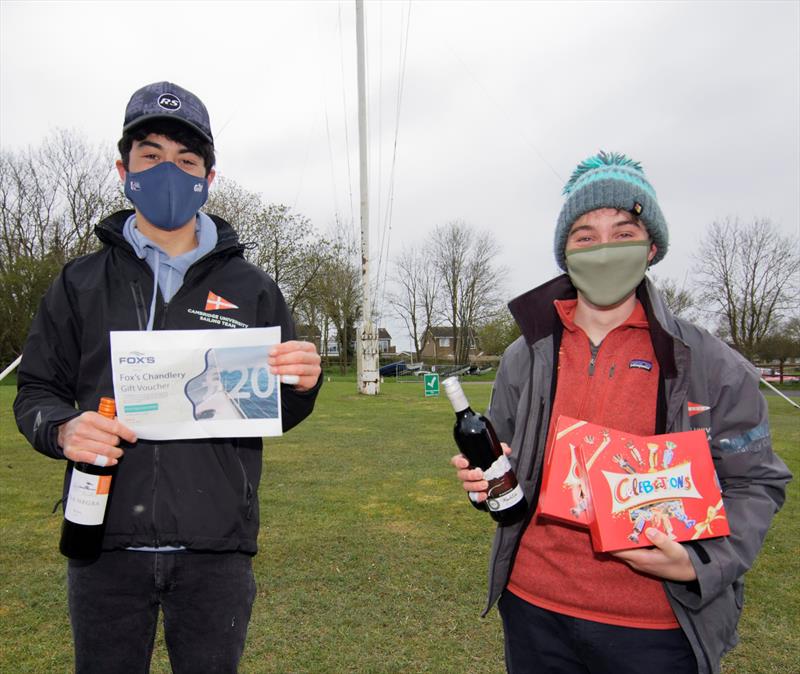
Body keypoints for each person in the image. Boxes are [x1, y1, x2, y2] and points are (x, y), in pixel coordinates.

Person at [14, 81, 322, 674]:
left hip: (216, 545)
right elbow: (35, 392)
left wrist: (303, 383)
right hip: (102, 540)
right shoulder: (79, 283)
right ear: (123, 168)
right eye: (151, 156)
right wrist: (62, 429)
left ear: (209, 176)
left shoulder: (251, 287)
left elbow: (279, 407)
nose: (168, 172)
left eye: (186, 160)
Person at [450, 151, 791, 674]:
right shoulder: (526, 354)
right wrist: (485, 482)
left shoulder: (712, 364)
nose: (603, 248)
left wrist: (701, 562)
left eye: (623, 231)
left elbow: (756, 483)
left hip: (660, 629)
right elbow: (506, 463)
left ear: (652, 246)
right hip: (535, 610)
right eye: (585, 236)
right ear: (564, 251)